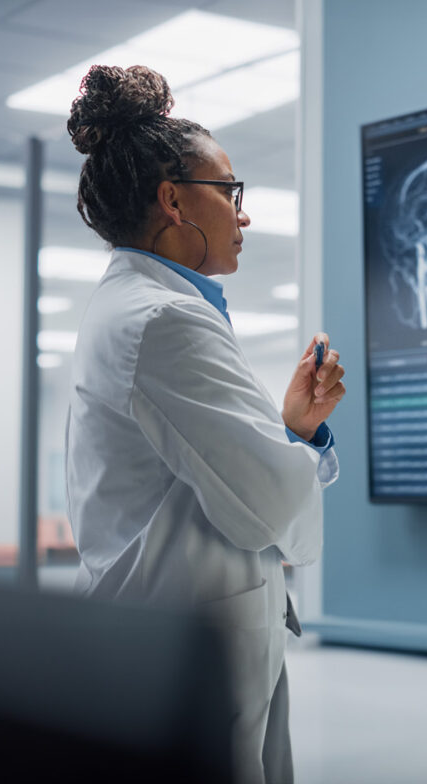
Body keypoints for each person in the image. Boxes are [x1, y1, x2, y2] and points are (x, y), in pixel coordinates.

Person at [64, 64, 345, 784]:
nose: (243, 214)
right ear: (175, 201)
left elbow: (233, 478)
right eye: (231, 192)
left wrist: (291, 432)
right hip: (187, 639)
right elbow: (271, 509)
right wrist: (298, 445)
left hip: (185, 630)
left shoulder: (141, 308)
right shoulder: (163, 320)